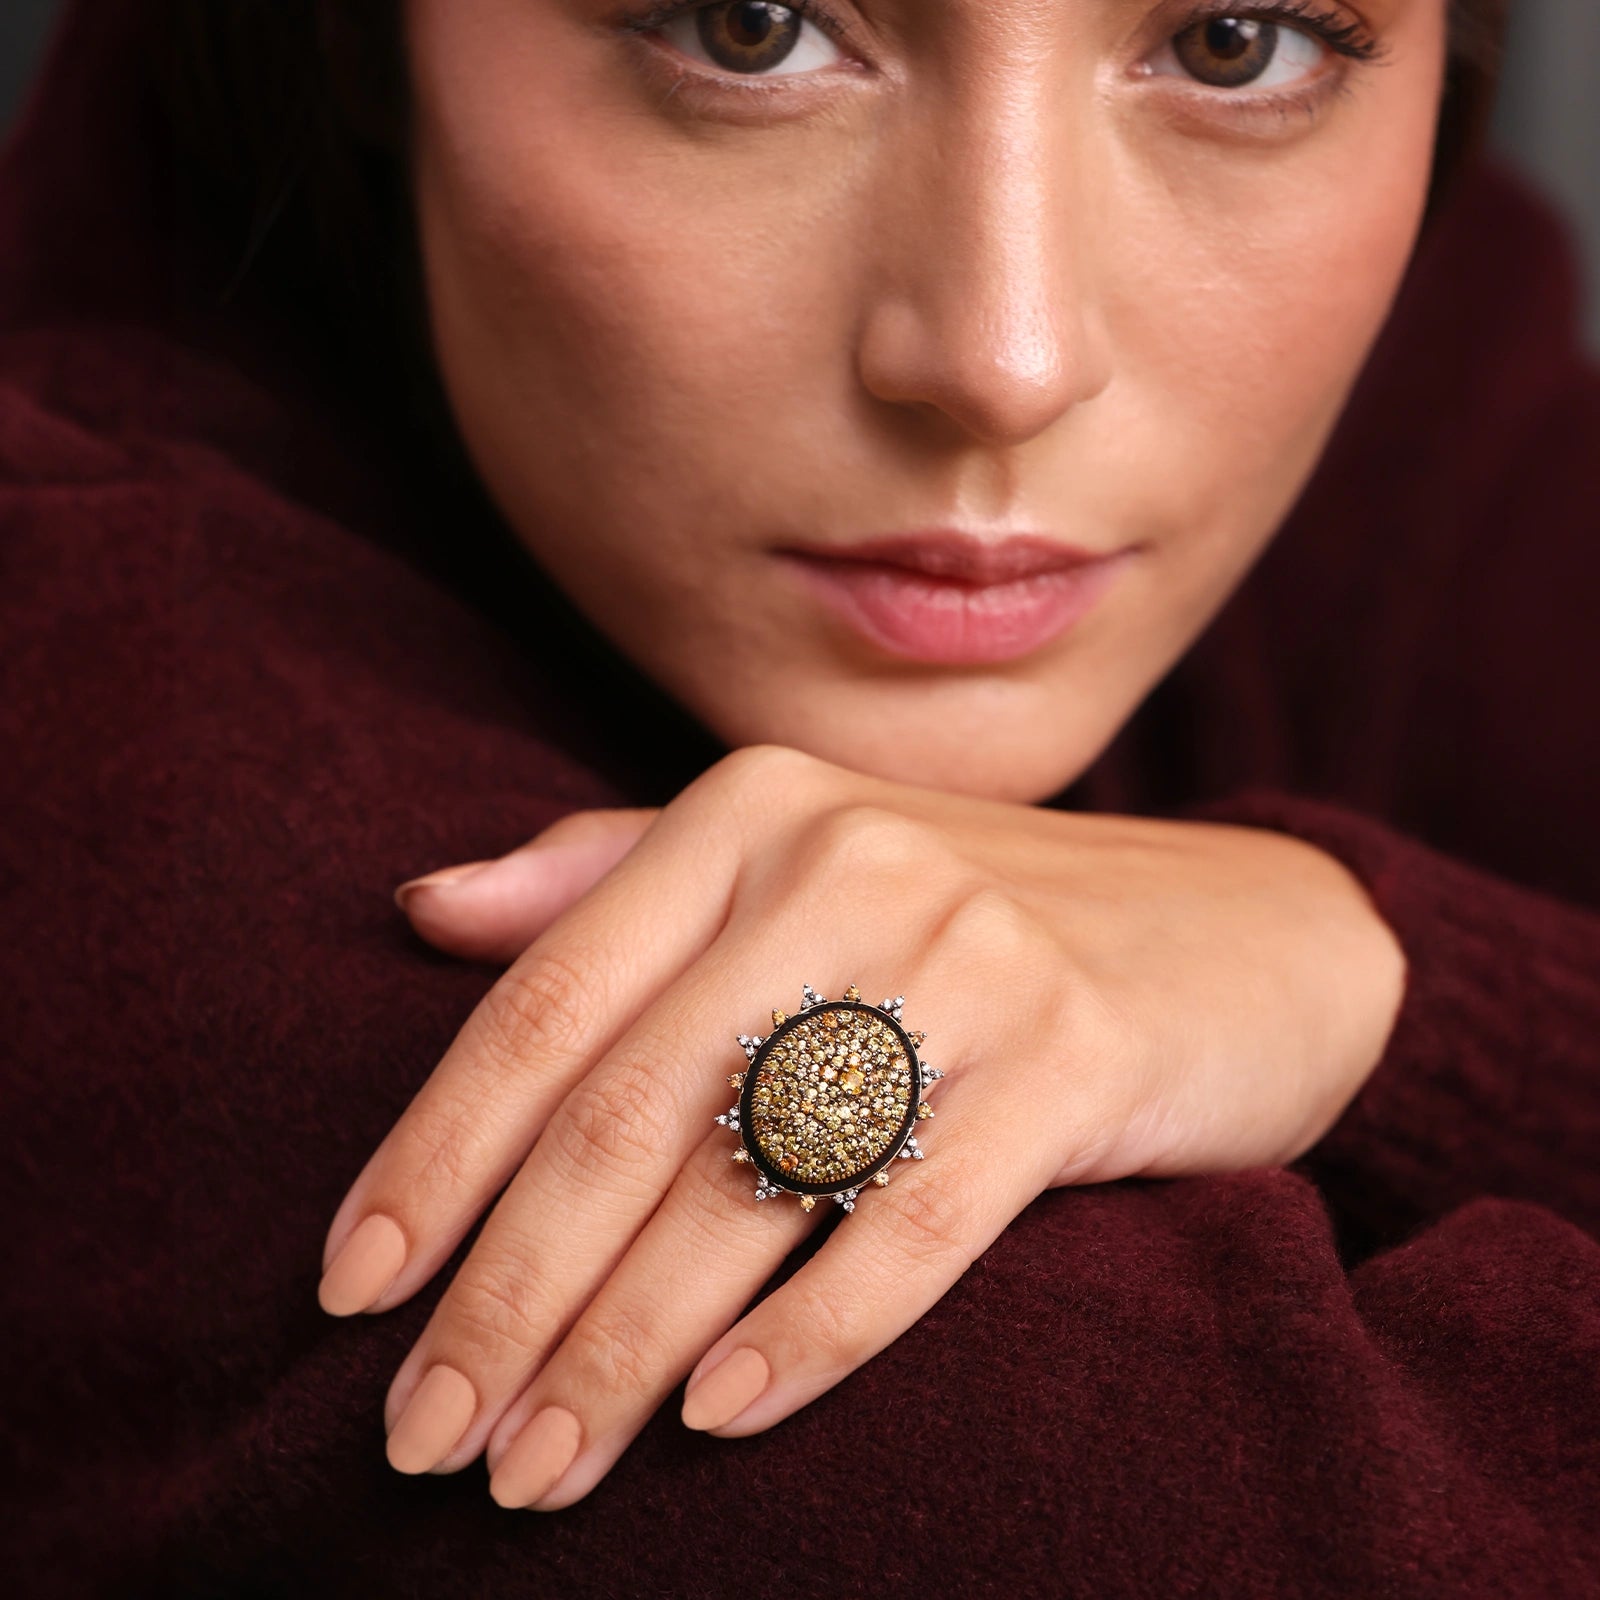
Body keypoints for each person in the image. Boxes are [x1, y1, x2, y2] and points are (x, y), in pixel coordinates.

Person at [2, 0, 1597, 1595]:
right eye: (750, 29)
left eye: (1238, 43)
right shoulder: (97, 752)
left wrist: (1385, 979)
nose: (1006, 363)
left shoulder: (1416, 356)